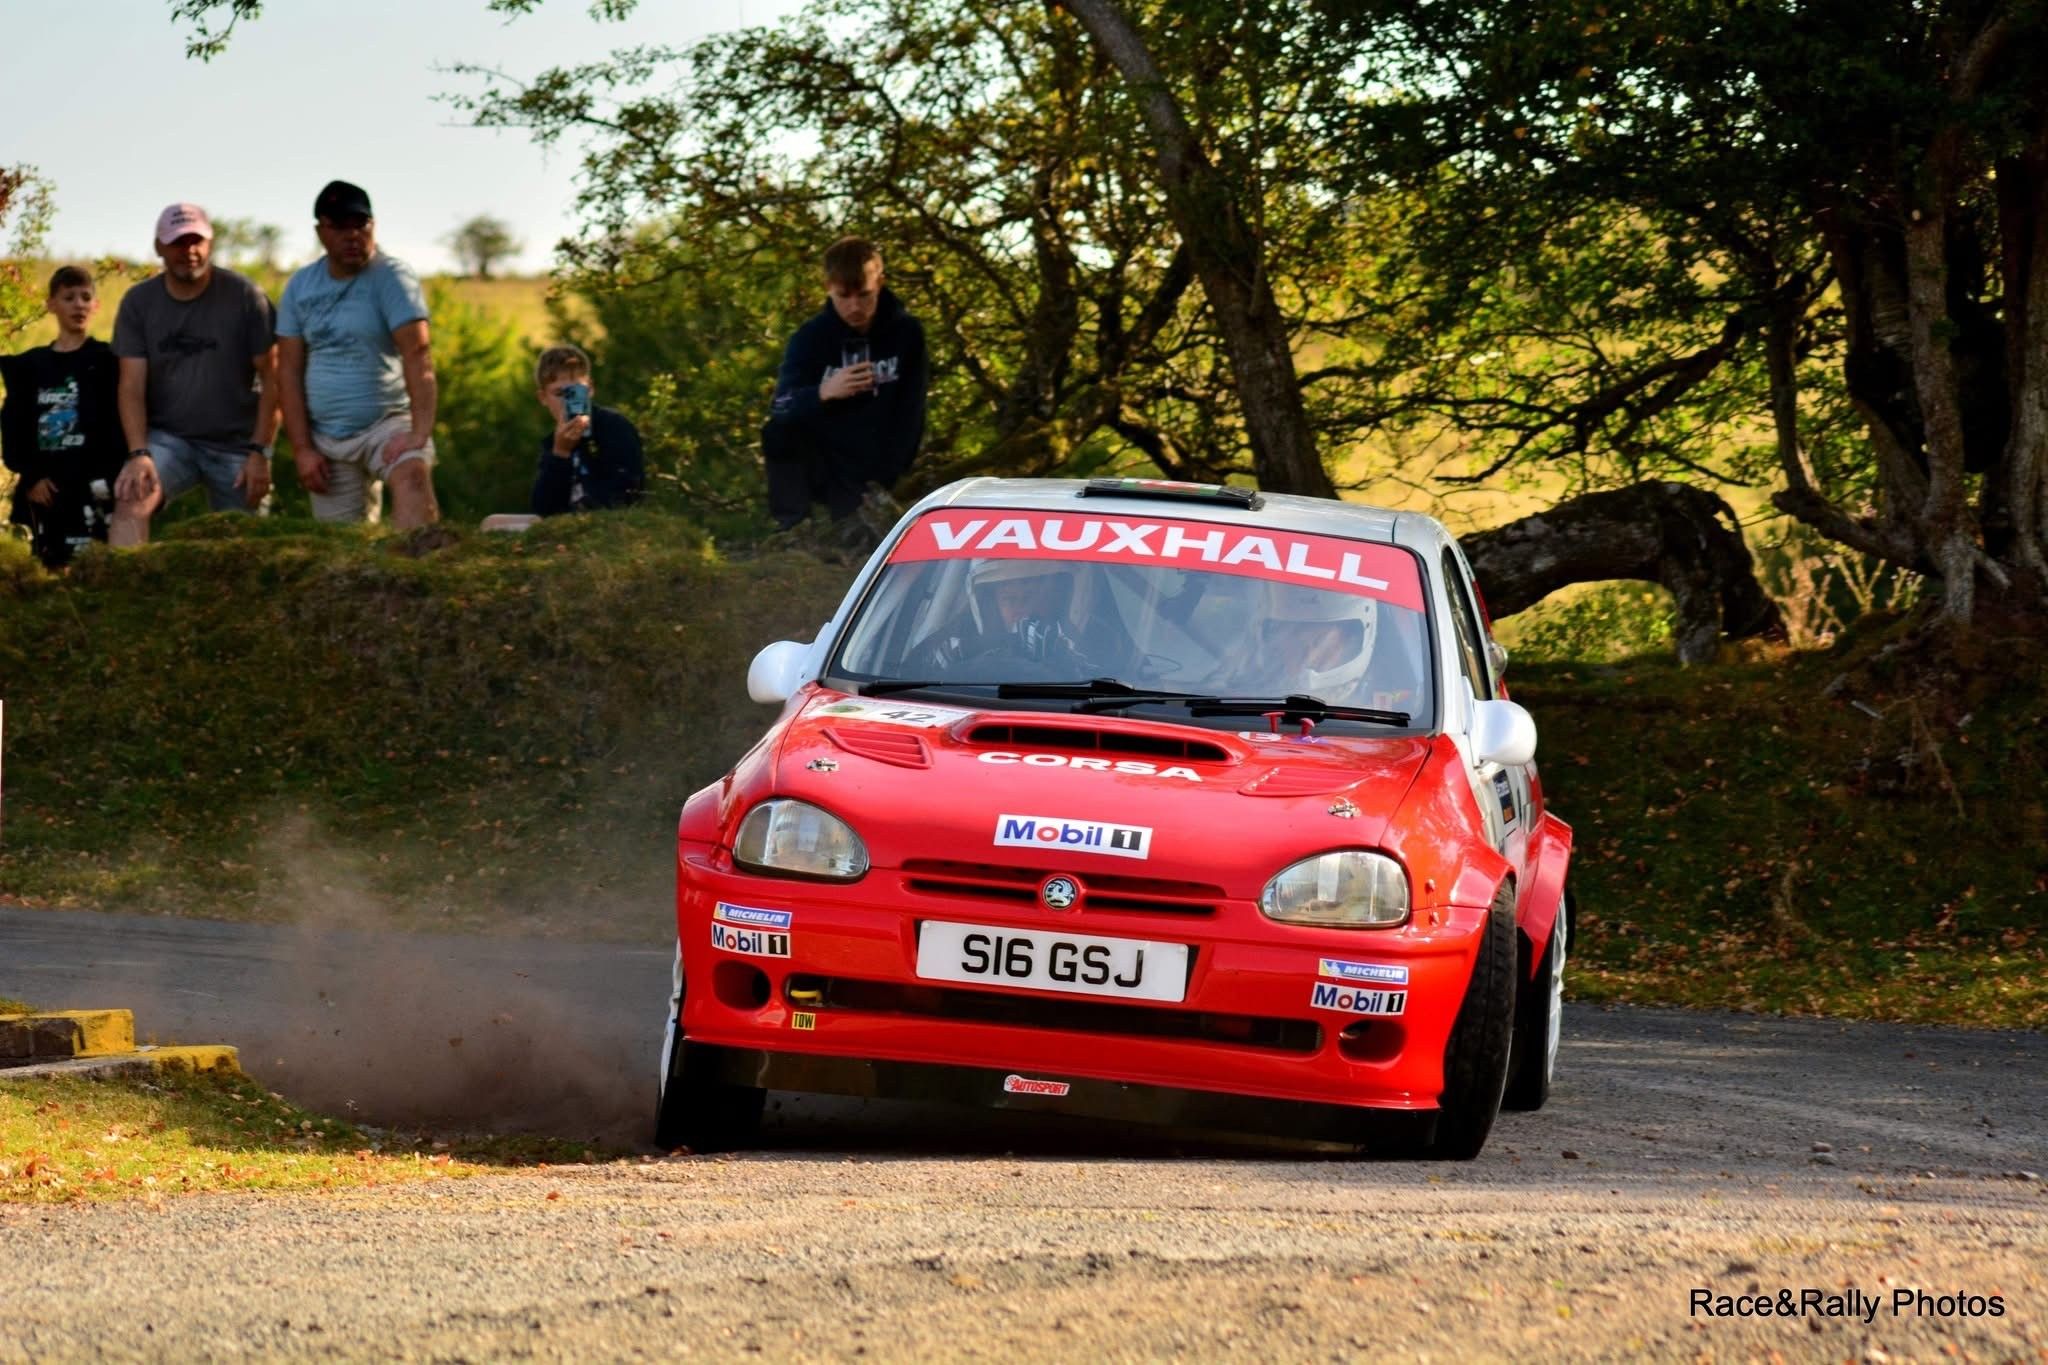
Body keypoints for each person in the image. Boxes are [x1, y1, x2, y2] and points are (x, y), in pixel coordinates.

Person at [107, 203, 279, 547]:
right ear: (159, 247)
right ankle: (123, 587)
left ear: (211, 242)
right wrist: (138, 453)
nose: (190, 251)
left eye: (197, 241)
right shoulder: (139, 303)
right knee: (131, 495)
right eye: (178, 242)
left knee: (245, 542)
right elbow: (131, 385)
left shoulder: (245, 297)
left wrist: (261, 452)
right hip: (170, 438)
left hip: (237, 444)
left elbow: (275, 377)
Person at [275, 180, 439, 527]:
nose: (352, 235)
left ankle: (420, 574)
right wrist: (303, 449)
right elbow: (287, 370)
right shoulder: (300, 286)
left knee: (412, 475)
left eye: (359, 225)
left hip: (387, 423)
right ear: (321, 231)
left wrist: (418, 434)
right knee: (342, 554)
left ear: (372, 226)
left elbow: (418, 354)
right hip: (326, 438)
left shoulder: (392, 277)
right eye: (340, 226)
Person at [761, 237, 927, 548]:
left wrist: (890, 476)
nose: (854, 307)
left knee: (860, 541)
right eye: (843, 296)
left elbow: (912, 411)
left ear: (880, 283)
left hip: (878, 460)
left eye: (864, 295)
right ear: (828, 287)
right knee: (777, 433)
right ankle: (791, 528)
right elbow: (781, 406)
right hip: (827, 461)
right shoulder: (810, 339)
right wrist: (823, 392)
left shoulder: (907, 334)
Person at [1, 267, 126, 567]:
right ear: (51, 304)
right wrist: (31, 475)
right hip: (45, 488)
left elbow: (118, 424)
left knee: (99, 570)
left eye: (86, 297)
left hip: (94, 487)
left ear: (96, 305)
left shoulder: (108, 360)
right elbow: (14, 426)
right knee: (40, 571)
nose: (79, 304)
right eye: (69, 297)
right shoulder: (31, 366)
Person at [908, 559, 1097, 678]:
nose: (1019, 608)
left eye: (1028, 597)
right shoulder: (958, 648)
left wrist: (1060, 656)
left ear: (1053, 599)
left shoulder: (1090, 645)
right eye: (1010, 599)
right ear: (991, 605)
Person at [530, 345, 644, 516]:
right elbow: (544, 510)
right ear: (543, 398)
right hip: (564, 529)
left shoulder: (614, 427)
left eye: (575, 391)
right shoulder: (553, 442)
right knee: (494, 522)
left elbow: (625, 494)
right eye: (559, 393)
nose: (567, 401)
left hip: (605, 528)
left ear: (590, 389)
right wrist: (560, 453)